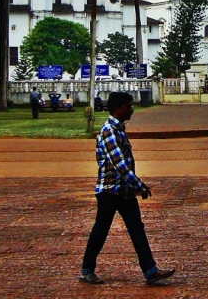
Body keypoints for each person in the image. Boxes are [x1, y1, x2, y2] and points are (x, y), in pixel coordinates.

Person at [79, 92, 175, 285]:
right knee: (101, 229)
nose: (131, 109)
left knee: (136, 229)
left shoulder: (119, 129)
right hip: (109, 191)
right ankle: (86, 269)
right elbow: (120, 165)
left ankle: (150, 271)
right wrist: (139, 186)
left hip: (124, 191)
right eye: (128, 106)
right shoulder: (109, 131)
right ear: (117, 108)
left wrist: (135, 187)